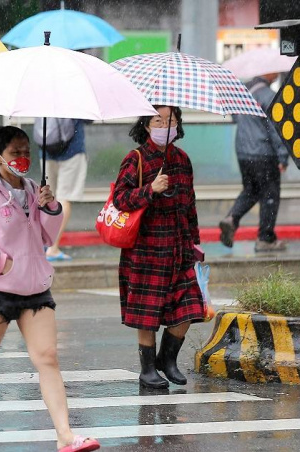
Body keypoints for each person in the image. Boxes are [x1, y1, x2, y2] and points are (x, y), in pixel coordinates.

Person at [0, 126, 100, 452]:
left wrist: (51, 207)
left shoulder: (34, 188)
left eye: (26, 151)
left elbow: (46, 237)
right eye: (15, 152)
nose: (22, 157)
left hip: (35, 288)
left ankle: (65, 434)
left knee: (48, 357)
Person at [113, 106, 204, 390]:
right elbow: (120, 199)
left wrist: (195, 241)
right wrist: (150, 189)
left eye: (171, 120)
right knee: (147, 311)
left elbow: (190, 202)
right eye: (158, 121)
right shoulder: (136, 158)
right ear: (146, 124)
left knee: (190, 305)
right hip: (147, 248)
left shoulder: (182, 159)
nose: (165, 126)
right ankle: (148, 369)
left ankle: (167, 359)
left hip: (179, 247)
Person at [219, 73, 289, 252]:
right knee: (270, 195)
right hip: (263, 153)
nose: (277, 74)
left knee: (251, 190)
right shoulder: (268, 95)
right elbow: (276, 128)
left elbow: (235, 117)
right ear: (266, 73)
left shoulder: (242, 93)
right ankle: (266, 238)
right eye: (274, 71)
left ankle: (231, 218)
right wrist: (283, 156)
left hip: (243, 152)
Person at [34, 117, 88, 262]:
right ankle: (53, 248)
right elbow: (88, 119)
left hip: (46, 150)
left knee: (47, 197)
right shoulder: (76, 101)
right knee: (65, 198)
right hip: (72, 150)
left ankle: (43, 244)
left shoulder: (45, 101)